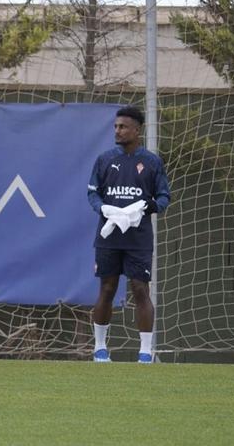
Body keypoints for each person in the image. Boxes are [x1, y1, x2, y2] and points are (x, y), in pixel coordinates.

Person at [87, 105, 170, 364]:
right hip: (109, 237)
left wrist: (149, 206)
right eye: (115, 126)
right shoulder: (104, 159)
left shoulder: (152, 162)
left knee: (140, 289)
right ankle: (100, 348)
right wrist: (104, 208)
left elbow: (164, 196)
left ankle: (146, 351)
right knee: (107, 288)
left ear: (137, 130)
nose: (118, 131)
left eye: (123, 127)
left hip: (139, 238)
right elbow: (92, 193)